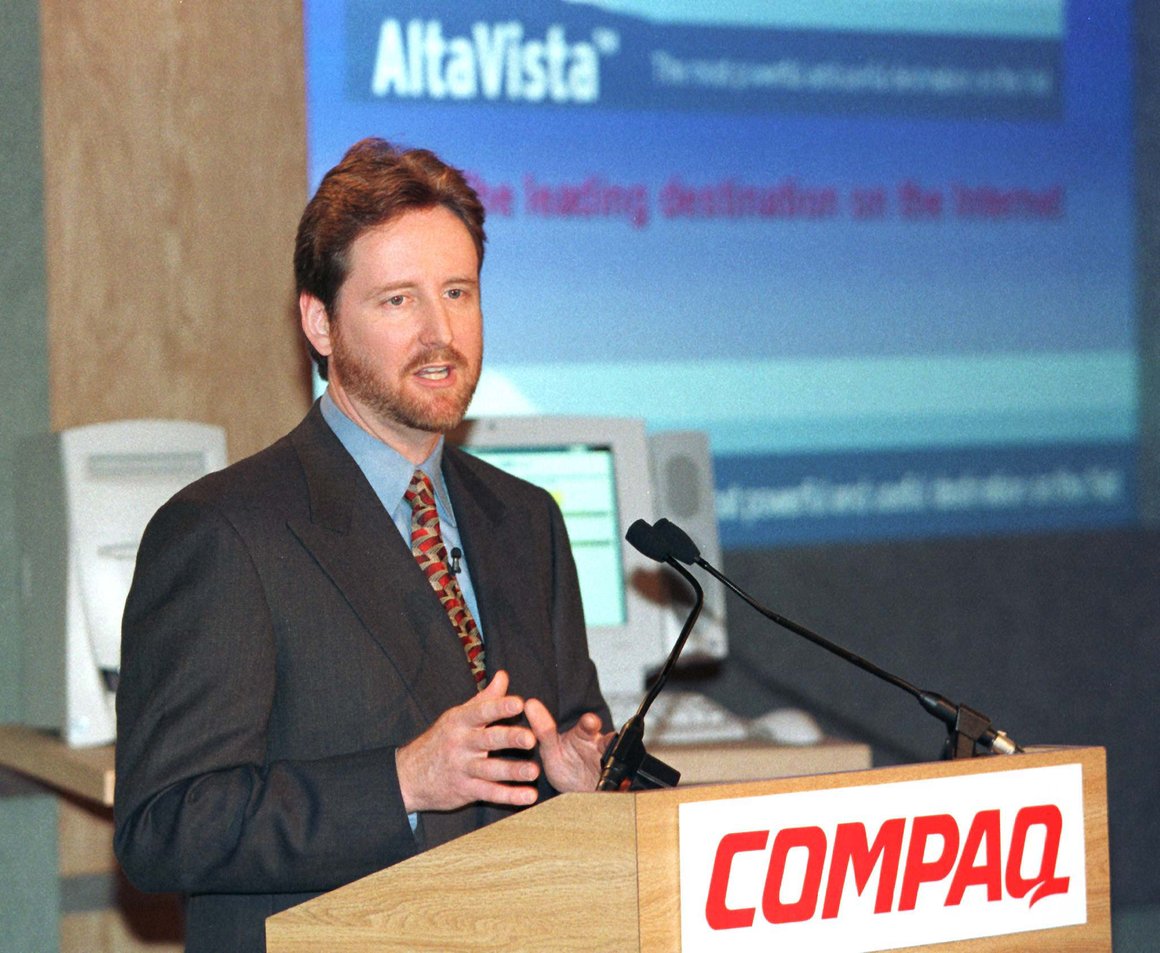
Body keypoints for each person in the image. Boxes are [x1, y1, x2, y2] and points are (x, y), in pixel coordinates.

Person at [113, 138, 613, 953]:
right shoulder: (224, 532)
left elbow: (564, 746)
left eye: (458, 292)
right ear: (320, 321)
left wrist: (588, 780)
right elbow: (164, 826)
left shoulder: (528, 521)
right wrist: (402, 782)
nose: (440, 331)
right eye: (397, 301)